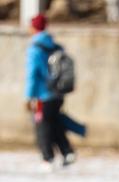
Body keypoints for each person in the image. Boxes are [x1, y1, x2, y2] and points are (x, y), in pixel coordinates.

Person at [25, 14, 76, 169]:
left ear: (34, 27)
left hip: (43, 94)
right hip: (59, 93)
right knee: (55, 123)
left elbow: (33, 74)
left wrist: (29, 96)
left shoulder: (35, 48)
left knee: (43, 126)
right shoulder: (55, 45)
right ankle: (67, 151)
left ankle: (48, 158)